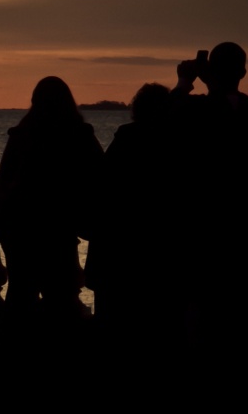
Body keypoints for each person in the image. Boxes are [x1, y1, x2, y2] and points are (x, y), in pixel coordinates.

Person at [171, 42, 248, 338]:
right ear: (243, 72)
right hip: (244, 233)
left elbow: (164, 116)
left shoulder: (203, 108)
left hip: (211, 235)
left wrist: (186, 82)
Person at [0, 76, 102, 325]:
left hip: (19, 227)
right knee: (60, 299)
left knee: (20, 295)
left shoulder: (22, 134)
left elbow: (5, 175)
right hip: (57, 228)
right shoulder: (78, 134)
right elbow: (100, 174)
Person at [86, 82, 176, 337]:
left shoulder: (127, 137)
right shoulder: (176, 140)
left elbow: (103, 185)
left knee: (113, 324)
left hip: (119, 250)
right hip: (157, 251)